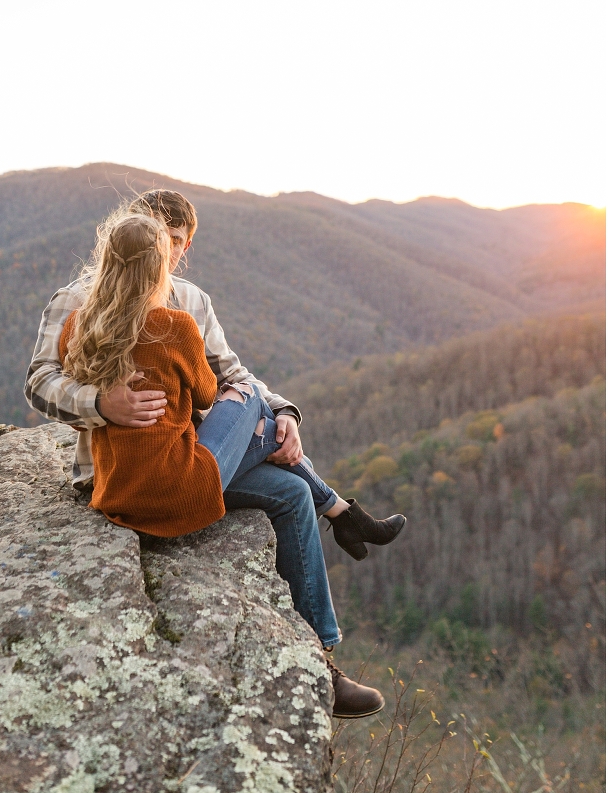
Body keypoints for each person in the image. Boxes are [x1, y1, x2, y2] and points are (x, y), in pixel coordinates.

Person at [25, 189, 405, 718]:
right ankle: (342, 511)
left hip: (194, 454)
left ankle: (321, 659)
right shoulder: (76, 302)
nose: (172, 255)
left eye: (180, 244)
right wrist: (101, 403)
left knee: (292, 492)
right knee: (260, 426)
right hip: (117, 471)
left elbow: (233, 371)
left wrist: (287, 417)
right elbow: (40, 382)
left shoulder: (192, 302)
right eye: (164, 243)